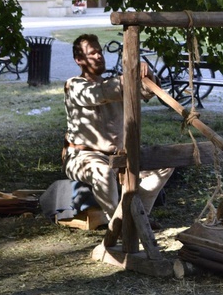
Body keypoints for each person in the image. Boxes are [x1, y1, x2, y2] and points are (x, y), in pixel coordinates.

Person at [63, 34, 173, 224]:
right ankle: (119, 223)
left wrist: (146, 75)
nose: (98, 56)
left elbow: (146, 92)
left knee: (166, 162)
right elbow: (96, 94)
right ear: (79, 60)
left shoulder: (114, 83)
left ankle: (139, 218)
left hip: (120, 156)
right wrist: (129, 76)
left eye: (99, 51)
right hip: (82, 157)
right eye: (92, 53)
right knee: (102, 172)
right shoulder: (74, 85)